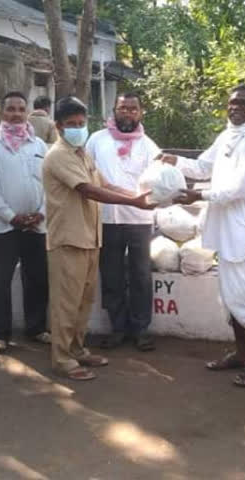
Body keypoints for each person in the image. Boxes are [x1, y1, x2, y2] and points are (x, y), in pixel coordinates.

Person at [164, 84, 245, 387]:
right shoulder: (227, 136)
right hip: (227, 232)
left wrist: (197, 195)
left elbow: (238, 189)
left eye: (242, 104)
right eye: (231, 103)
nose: (235, 107)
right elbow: (202, 166)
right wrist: (174, 160)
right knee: (231, 297)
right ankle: (243, 354)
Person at [43, 96, 155, 381]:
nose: (78, 129)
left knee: (83, 302)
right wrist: (135, 203)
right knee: (66, 304)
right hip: (69, 239)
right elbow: (89, 191)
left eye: (81, 123)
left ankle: (77, 350)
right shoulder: (58, 155)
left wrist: (139, 197)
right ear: (58, 126)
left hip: (91, 237)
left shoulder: (82, 152)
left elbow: (105, 184)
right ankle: (62, 359)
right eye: (71, 125)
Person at [85, 92, 160, 352]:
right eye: (123, 108)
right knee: (112, 274)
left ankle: (140, 330)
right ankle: (117, 328)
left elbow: (160, 181)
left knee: (140, 275)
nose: (127, 113)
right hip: (106, 218)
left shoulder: (150, 146)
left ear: (140, 113)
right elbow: (86, 175)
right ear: (114, 110)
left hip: (139, 219)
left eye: (132, 109)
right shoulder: (96, 140)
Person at [0, 91, 50, 354]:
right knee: (0, 283)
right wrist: (11, 216)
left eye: (21, 109)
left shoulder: (40, 146)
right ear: (2, 113)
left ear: (27, 112)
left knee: (38, 279)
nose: (16, 114)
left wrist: (41, 212)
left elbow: (49, 185)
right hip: (4, 227)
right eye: (11, 109)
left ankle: (36, 328)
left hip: (36, 225)